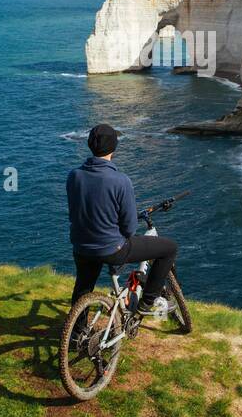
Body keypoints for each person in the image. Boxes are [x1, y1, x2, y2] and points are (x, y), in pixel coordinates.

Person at [66, 123, 177, 314]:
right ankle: (147, 302)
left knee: (83, 288)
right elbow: (129, 228)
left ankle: (77, 333)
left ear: (90, 145)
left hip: (81, 246)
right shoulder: (120, 180)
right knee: (169, 249)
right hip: (111, 249)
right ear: (114, 147)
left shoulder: (74, 175)